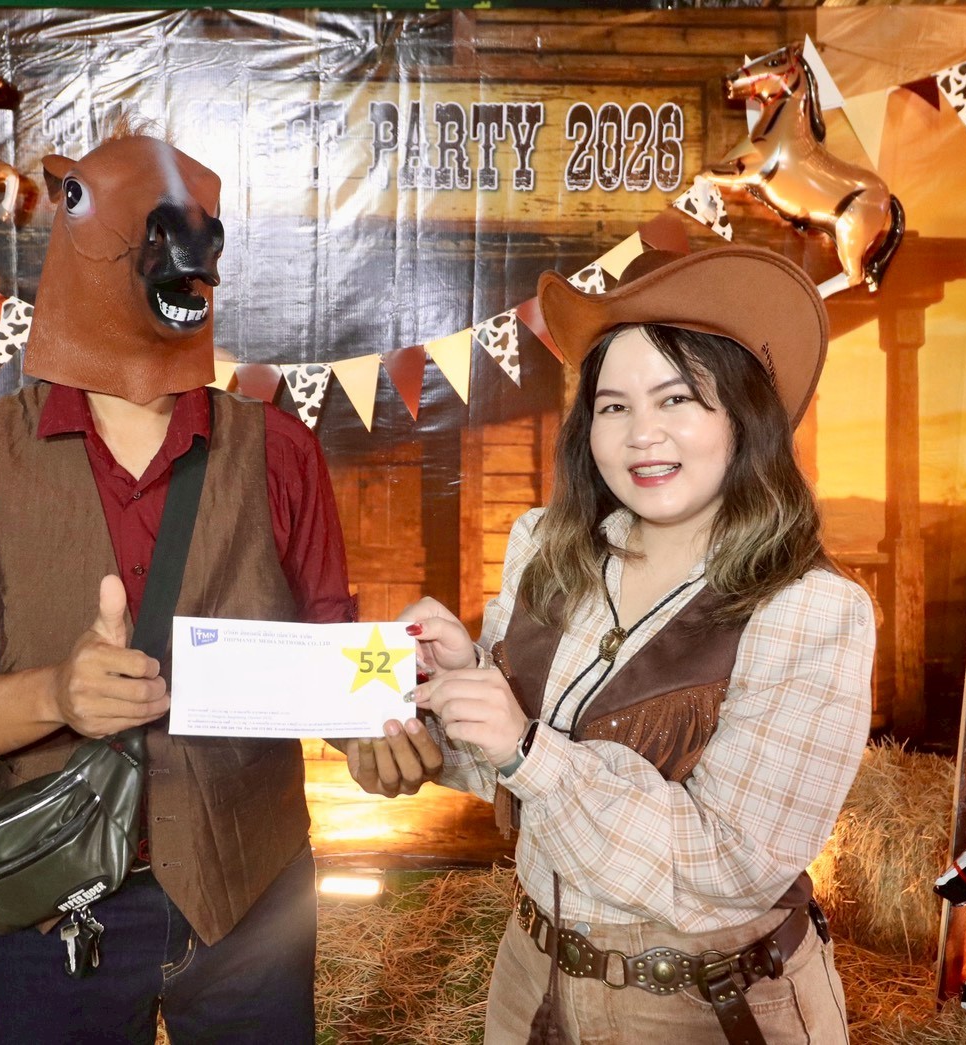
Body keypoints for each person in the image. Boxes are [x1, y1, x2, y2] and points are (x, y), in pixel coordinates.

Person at [0, 124, 354, 1044]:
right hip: (56, 902)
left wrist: (391, 724)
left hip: (253, 897)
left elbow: (334, 672)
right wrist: (55, 694)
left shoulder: (281, 453)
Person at [349, 245, 874, 1044]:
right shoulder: (545, 547)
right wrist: (456, 688)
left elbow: (732, 867)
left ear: (743, 417)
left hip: (708, 1005)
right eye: (613, 406)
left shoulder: (810, 610)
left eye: (676, 398)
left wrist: (526, 748)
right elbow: (504, 772)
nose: (641, 435)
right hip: (530, 977)